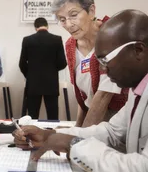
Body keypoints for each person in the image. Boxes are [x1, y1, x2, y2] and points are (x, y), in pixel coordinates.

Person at [13, 9, 148, 172]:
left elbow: (142, 167)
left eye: (105, 59)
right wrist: (50, 135)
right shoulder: (138, 90)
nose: (102, 68)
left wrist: (73, 145)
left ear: (138, 50)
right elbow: (112, 132)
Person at [52, 0, 128, 127]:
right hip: (92, 117)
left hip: (120, 120)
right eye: (62, 19)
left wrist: (79, 138)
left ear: (91, 11)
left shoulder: (112, 37)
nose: (68, 24)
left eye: (73, 15)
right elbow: (84, 96)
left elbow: (104, 95)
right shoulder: (70, 45)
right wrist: (77, 129)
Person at [19, 17, 67, 119]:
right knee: (52, 116)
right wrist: (52, 70)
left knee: (32, 116)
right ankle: (51, 135)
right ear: (47, 26)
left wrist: (30, 74)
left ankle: (31, 135)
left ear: (35, 27)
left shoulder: (27, 40)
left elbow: (22, 63)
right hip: (51, 83)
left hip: (33, 84)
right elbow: (63, 63)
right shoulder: (57, 39)